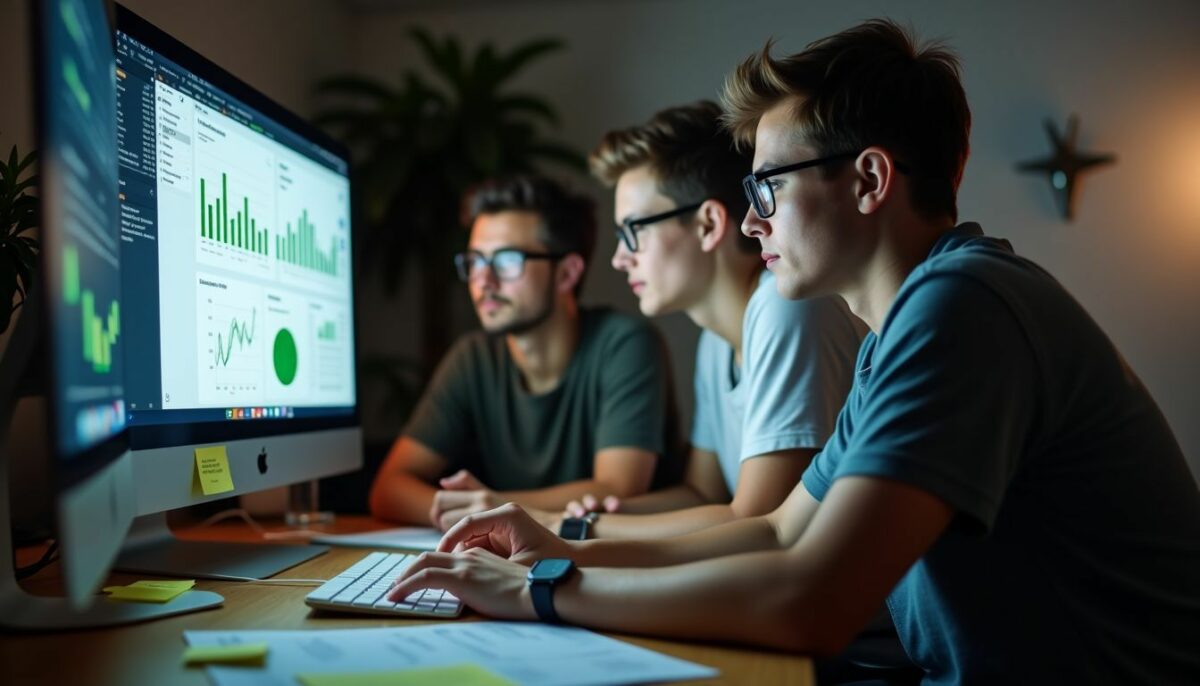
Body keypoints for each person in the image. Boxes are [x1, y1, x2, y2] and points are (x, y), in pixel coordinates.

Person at [387, 20, 1200, 683]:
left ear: (869, 180)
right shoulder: (906, 329)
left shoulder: (963, 309)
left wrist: (543, 589)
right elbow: (778, 531)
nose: (750, 222)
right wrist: (563, 548)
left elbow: (813, 599)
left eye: (768, 187)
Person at [533, 101, 862, 541]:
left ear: (709, 224)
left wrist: (577, 529)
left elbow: (755, 517)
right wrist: (612, 514)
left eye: (635, 231)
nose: (618, 258)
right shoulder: (717, 341)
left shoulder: (784, 307)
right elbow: (702, 492)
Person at [369, 175, 682, 531]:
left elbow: (618, 488)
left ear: (567, 273)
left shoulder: (624, 343)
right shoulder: (473, 358)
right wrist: (475, 515)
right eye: (474, 261)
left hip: (618, 561)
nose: (483, 281)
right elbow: (389, 489)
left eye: (506, 261)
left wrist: (494, 507)